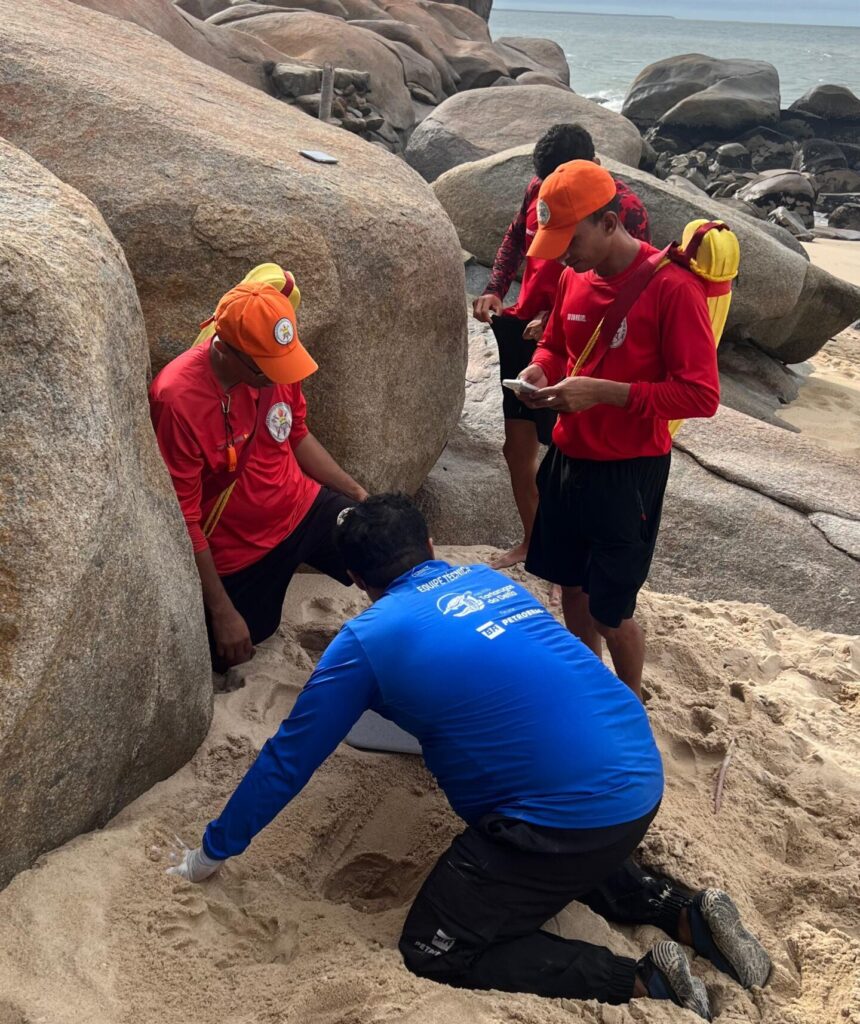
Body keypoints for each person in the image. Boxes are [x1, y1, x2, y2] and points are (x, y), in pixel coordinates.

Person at [168, 495, 770, 1020]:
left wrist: (210, 853)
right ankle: (687, 916)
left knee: (435, 944)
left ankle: (641, 979)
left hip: (563, 820)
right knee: (559, 844)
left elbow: (287, 761)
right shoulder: (489, 582)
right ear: (430, 546)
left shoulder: (365, 640)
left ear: (354, 578)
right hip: (636, 774)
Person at [516, 161, 720, 699]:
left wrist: (604, 391)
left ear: (610, 222)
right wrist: (541, 368)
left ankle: (628, 701)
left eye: (571, 238)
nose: (563, 253)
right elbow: (557, 345)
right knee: (569, 588)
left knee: (611, 610)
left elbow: (702, 396)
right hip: (567, 458)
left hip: (629, 471)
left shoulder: (673, 288)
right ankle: (588, 691)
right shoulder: (570, 278)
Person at [149, 279, 367, 671]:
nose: (279, 375)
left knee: (391, 548)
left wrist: (359, 496)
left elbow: (296, 433)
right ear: (224, 349)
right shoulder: (177, 399)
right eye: (266, 367)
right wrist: (221, 609)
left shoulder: (279, 362)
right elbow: (183, 516)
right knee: (233, 647)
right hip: (237, 549)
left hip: (301, 506)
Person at [472, 124, 651, 570]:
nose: (550, 190)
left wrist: (554, 319)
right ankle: (536, 542)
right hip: (526, 324)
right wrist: (495, 287)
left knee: (568, 455)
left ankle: (570, 555)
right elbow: (517, 235)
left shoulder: (624, 208)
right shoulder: (541, 187)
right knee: (517, 447)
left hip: (580, 335)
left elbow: (623, 287)